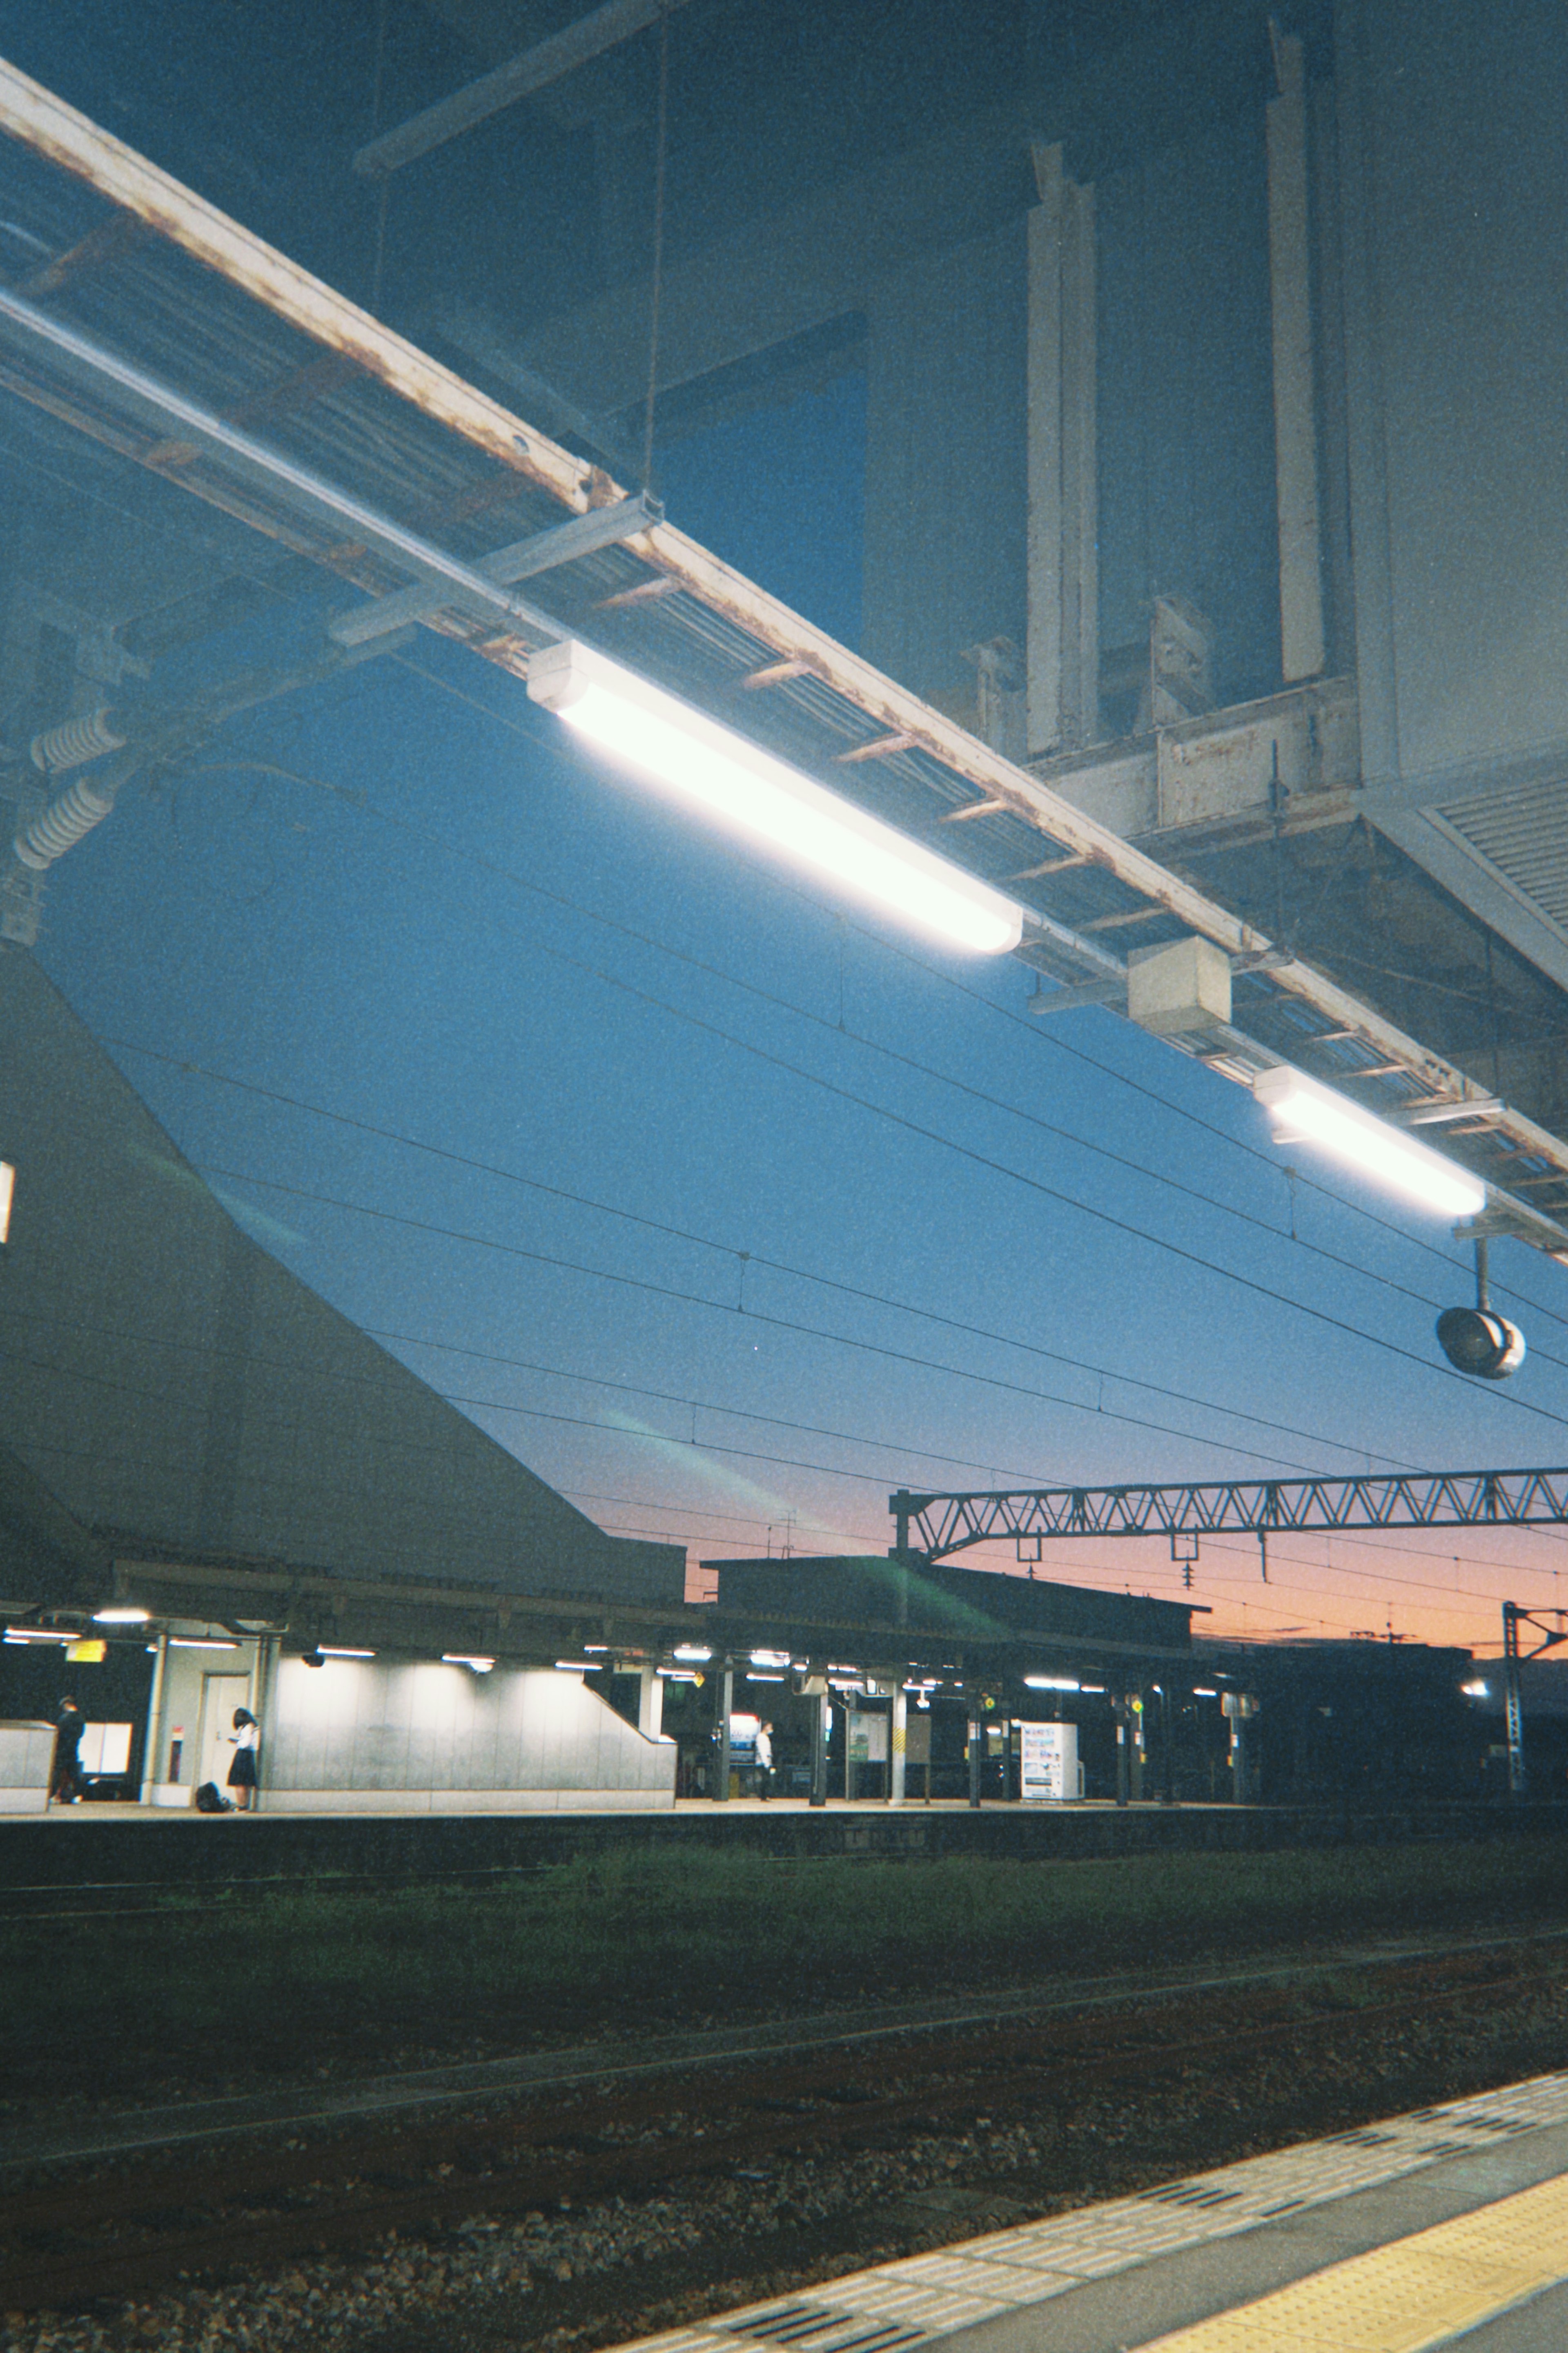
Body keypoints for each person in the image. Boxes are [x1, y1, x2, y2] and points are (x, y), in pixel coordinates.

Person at [50, 1696, 86, 1804]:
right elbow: (80, 1735)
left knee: (57, 1772)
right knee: (74, 1773)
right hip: (73, 1749)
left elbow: (58, 1734)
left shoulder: (64, 1719)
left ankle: (53, 1795)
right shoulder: (81, 1719)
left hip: (62, 1750)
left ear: (66, 1706)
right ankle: (78, 1794)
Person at [225, 1706, 259, 1810]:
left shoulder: (248, 1727)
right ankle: (245, 1805)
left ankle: (241, 1805)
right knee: (246, 1782)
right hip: (249, 1756)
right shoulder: (253, 1726)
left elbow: (245, 1743)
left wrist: (237, 1742)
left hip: (243, 1755)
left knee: (239, 1782)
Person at [754, 1718, 774, 1800]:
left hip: (766, 1762)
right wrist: (766, 1763)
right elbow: (762, 1751)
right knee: (765, 1780)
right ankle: (764, 1796)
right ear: (766, 1727)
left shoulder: (765, 1737)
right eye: (770, 1727)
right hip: (763, 1762)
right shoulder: (761, 1737)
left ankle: (765, 1796)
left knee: (766, 1780)